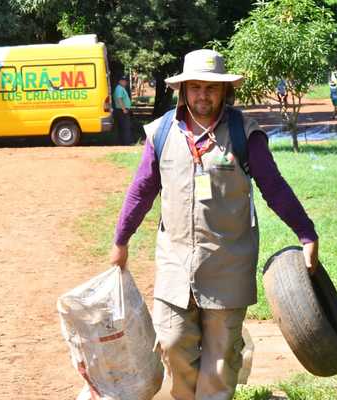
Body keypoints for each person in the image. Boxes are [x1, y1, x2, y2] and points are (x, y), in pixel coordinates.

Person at [109, 49, 319, 400]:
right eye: (195, 87)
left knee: (220, 362)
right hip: (175, 265)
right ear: (183, 90)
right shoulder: (162, 132)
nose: (202, 95)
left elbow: (274, 187)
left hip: (228, 266)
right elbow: (141, 190)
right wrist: (121, 239)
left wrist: (306, 232)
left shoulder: (243, 134)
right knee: (174, 344)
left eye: (211, 88)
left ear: (225, 92)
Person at [113, 75, 133, 145]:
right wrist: (124, 109)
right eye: (123, 81)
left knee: (123, 127)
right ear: (119, 81)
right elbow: (119, 99)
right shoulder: (119, 88)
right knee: (125, 127)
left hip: (122, 110)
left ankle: (123, 142)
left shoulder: (121, 88)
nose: (125, 82)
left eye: (125, 81)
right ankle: (126, 143)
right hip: (121, 110)